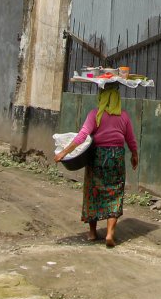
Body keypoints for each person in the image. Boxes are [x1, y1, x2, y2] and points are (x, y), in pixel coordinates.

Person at [54, 84, 139, 247]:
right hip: (116, 157)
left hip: (97, 157)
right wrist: (134, 155)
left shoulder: (95, 114)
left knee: (93, 192)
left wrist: (63, 153)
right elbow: (131, 140)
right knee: (115, 193)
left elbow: (81, 137)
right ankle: (109, 234)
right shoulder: (124, 116)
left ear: (102, 98)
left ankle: (92, 233)